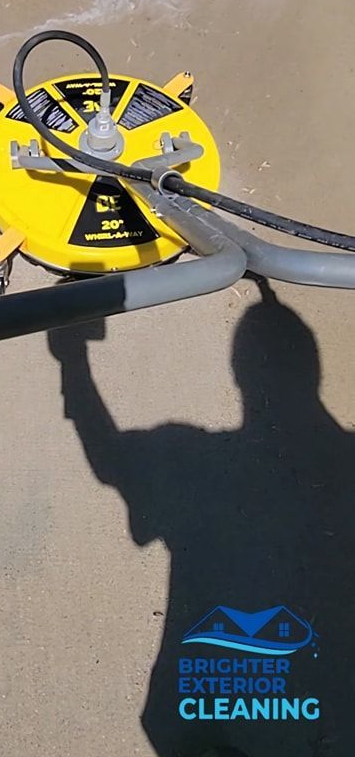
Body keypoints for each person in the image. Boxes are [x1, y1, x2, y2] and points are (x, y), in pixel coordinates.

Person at [48, 283, 354, 757]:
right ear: (314, 373)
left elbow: (107, 455)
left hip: (208, 722)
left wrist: (72, 362)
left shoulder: (194, 457)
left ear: (237, 374)